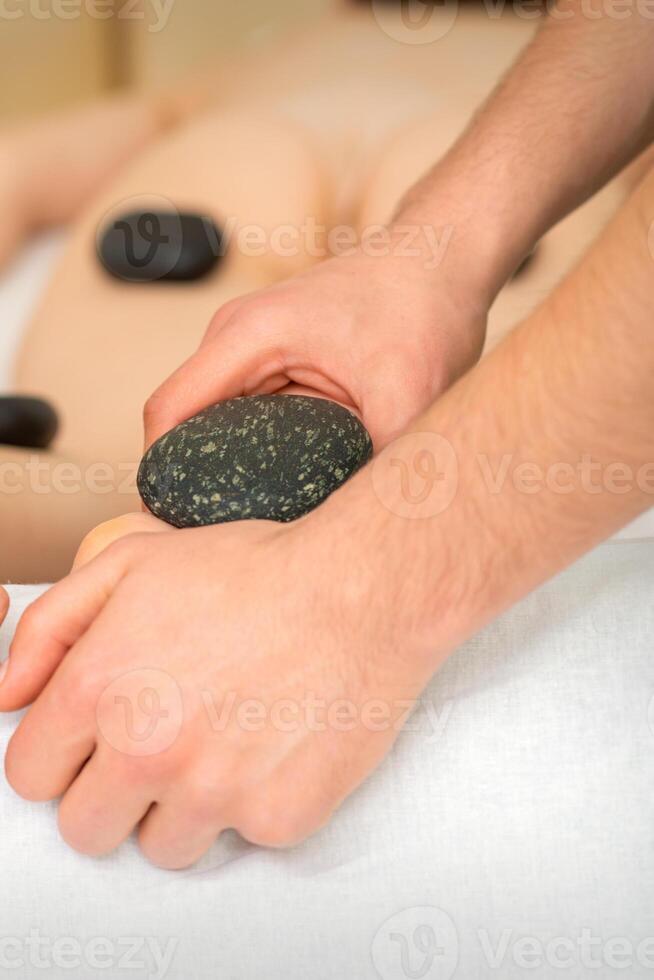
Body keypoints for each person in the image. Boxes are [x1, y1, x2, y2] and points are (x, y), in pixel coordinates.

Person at [0, 1, 653, 870]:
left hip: (489, 394)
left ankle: (153, 526)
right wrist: (427, 259)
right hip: (211, 384)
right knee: (129, 481)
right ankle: (102, 513)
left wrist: (363, 584)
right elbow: (18, 171)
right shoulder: (269, 56)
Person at [0, 1, 623, 580]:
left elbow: (19, 168)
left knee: (113, 487)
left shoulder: (267, 58)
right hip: (499, 227)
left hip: (224, 198)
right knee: (161, 492)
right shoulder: (616, 64)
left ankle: (80, 511)